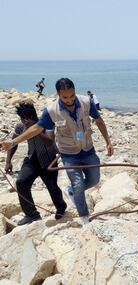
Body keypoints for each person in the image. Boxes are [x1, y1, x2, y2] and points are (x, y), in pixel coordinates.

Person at [1, 78, 113, 225]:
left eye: (72, 95)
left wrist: (108, 141)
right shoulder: (52, 111)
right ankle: (84, 218)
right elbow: (36, 129)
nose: (69, 100)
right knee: (77, 184)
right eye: (65, 97)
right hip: (67, 154)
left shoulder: (86, 102)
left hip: (85, 150)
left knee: (94, 180)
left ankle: (69, 195)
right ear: (58, 94)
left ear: (75, 91)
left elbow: (98, 121)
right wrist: (13, 142)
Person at [4, 103, 67, 225]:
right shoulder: (20, 127)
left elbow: (49, 142)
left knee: (52, 186)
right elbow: (13, 144)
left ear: (31, 117)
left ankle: (61, 207)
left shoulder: (47, 124)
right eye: (21, 119)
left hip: (49, 159)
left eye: (23, 119)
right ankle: (32, 215)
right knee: (21, 182)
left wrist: (34, 130)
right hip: (32, 159)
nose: (22, 121)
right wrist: (8, 162)